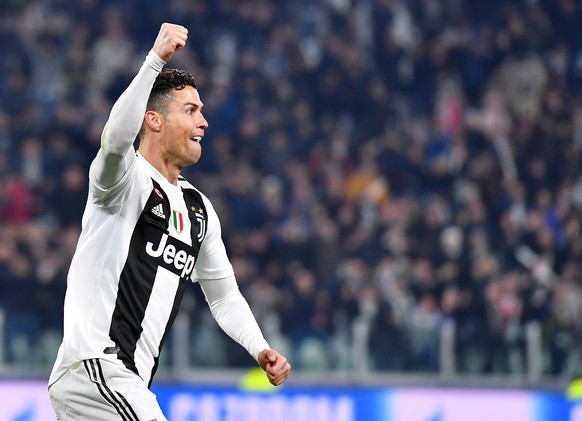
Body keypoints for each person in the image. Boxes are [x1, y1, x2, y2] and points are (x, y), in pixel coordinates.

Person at [48, 23, 291, 420]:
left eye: (203, 112)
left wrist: (259, 347)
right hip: (96, 366)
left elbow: (224, 295)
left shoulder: (198, 209)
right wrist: (155, 60)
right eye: (190, 111)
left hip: (125, 381)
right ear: (155, 121)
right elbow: (113, 142)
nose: (204, 123)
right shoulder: (123, 180)